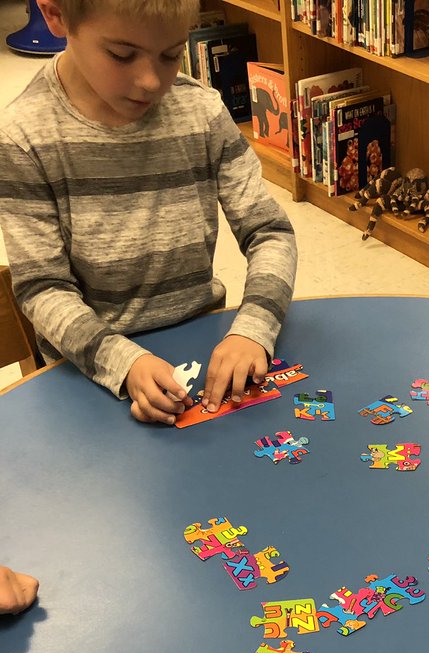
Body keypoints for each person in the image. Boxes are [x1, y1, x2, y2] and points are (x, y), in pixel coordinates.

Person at [0, 0, 298, 424]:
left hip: (202, 348)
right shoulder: (22, 137)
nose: (149, 80)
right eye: (122, 55)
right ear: (55, 15)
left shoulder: (203, 112)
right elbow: (42, 288)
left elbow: (270, 232)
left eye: (171, 54)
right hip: (89, 374)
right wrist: (125, 363)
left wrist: (253, 328)